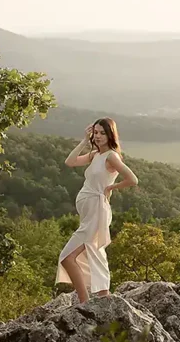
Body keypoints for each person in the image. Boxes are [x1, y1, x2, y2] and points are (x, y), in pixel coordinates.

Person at [57, 117, 138, 304]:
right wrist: (85, 141)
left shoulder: (111, 156)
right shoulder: (95, 155)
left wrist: (111, 188)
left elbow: (132, 179)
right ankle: (100, 297)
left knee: (67, 257)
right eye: (96, 132)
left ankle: (86, 302)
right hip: (88, 213)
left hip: (97, 211)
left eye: (102, 132)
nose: (98, 136)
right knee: (94, 251)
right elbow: (69, 162)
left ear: (110, 134)